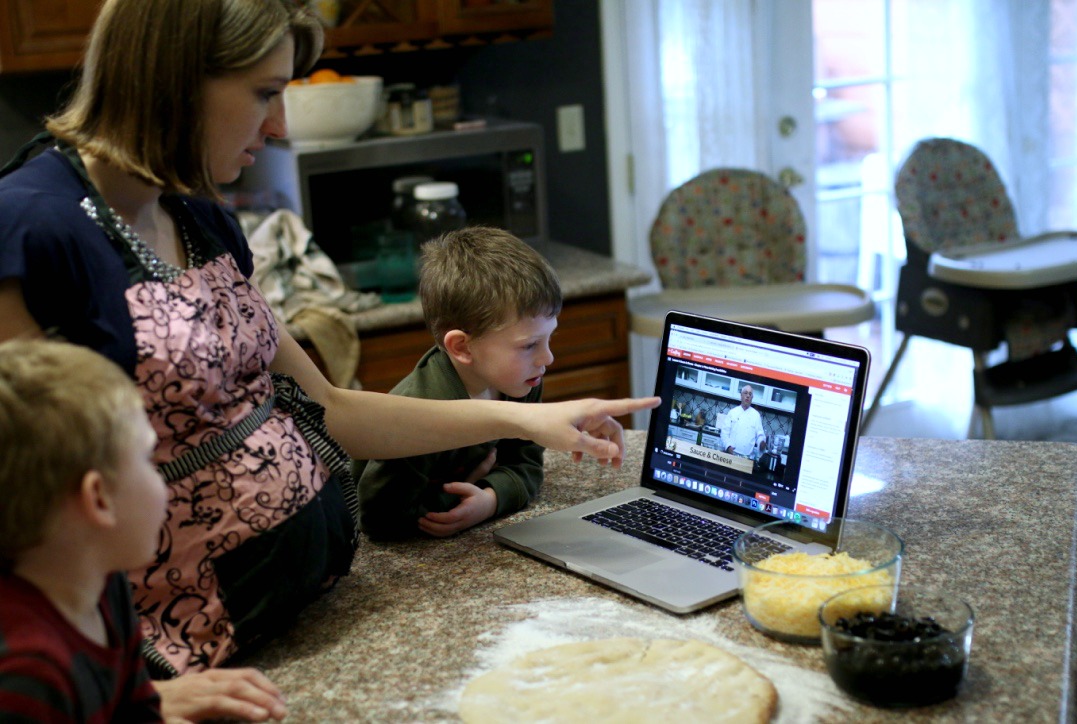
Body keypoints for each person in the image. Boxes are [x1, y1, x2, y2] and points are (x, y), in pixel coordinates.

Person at [0, 0, 657, 684]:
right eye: (265, 92)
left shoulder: (195, 213)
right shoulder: (30, 229)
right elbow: (19, 520)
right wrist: (137, 701)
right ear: (176, 76)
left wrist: (527, 417)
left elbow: (332, 408)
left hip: (288, 617)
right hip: (167, 665)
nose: (280, 125)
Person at [0, 338, 290, 723]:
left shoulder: (102, 583)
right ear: (99, 499)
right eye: (148, 458)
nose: (162, 479)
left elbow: (139, 712)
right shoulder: (26, 676)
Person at [357, 227, 560, 539]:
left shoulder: (522, 379)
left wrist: (490, 499)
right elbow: (378, 517)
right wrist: (457, 497)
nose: (547, 358)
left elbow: (526, 464)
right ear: (463, 347)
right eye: (530, 345)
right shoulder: (421, 413)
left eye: (549, 338)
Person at [723, 385, 766, 458]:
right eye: (745, 393)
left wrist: (761, 443)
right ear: (741, 395)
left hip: (747, 457)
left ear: (752, 398)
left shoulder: (756, 415)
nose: (748, 396)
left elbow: (760, 435)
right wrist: (728, 446)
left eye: (750, 394)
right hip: (731, 454)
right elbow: (724, 432)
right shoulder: (732, 412)